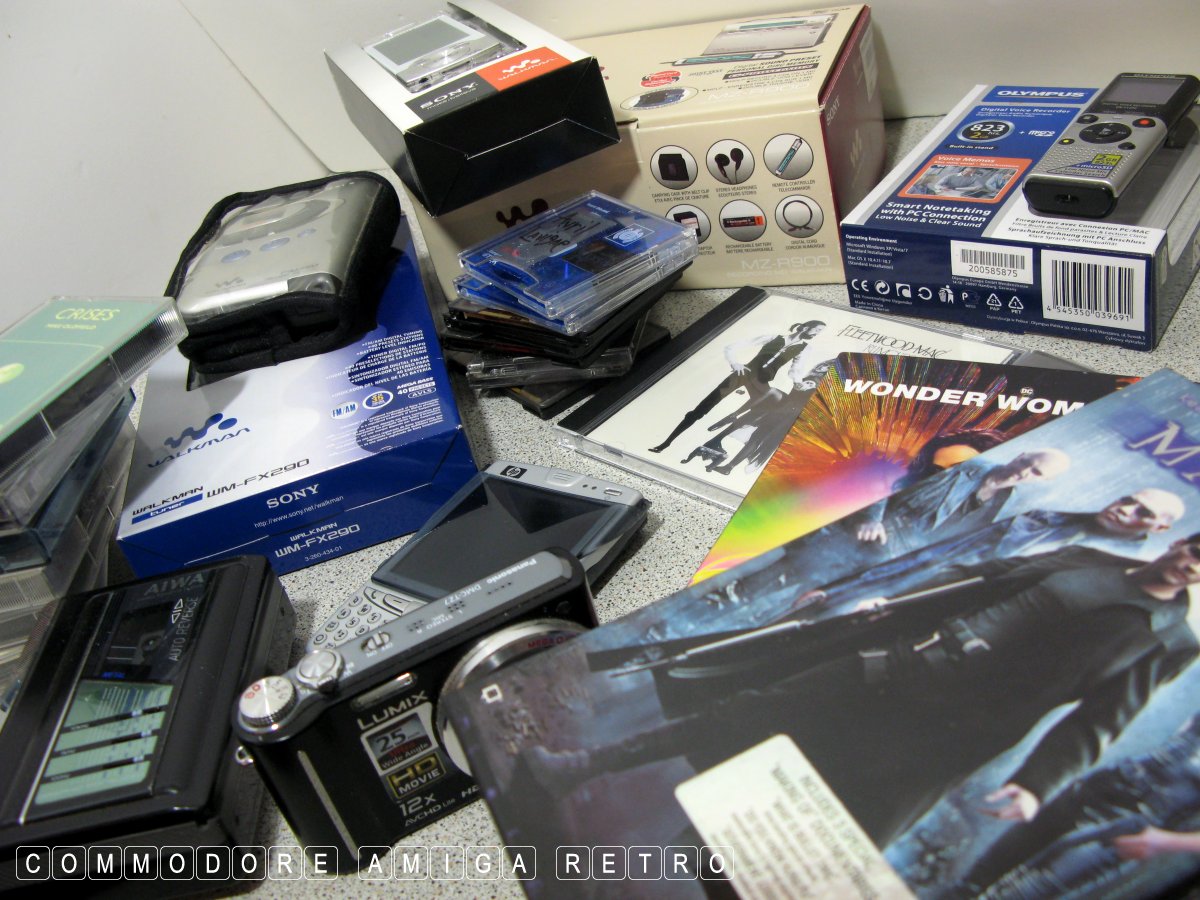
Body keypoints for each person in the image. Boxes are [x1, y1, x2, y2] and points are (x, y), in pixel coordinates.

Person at [528, 535, 1200, 850]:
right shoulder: (1090, 556)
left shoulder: (1170, 638)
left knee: (827, 791)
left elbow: (1101, 721)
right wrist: (896, 601)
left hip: (946, 729)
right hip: (901, 658)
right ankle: (578, 766)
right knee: (744, 713)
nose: (1188, 562)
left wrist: (1037, 784)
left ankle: (699, 859)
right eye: (1193, 546)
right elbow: (982, 575)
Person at [955, 714, 1200, 898]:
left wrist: (1165, 841)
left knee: (1027, 889)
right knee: (984, 873)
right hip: (1119, 779)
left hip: (1144, 819)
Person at [852, 448, 1072, 556]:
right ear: (1019, 456)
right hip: (869, 538)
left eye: (1036, 472)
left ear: (1044, 480)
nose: (1024, 472)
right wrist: (870, 518)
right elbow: (888, 476)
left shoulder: (1010, 504)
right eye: (1026, 463)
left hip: (902, 559)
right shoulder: (963, 463)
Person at [648, 320, 825, 455]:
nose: (817, 334)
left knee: (776, 401)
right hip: (743, 374)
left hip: (761, 382)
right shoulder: (774, 337)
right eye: (816, 330)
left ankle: (732, 418)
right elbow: (733, 347)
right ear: (805, 327)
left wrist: (798, 382)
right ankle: (666, 443)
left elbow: (796, 370)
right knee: (702, 409)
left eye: (819, 332)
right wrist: (735, 363)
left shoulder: (805, 348)